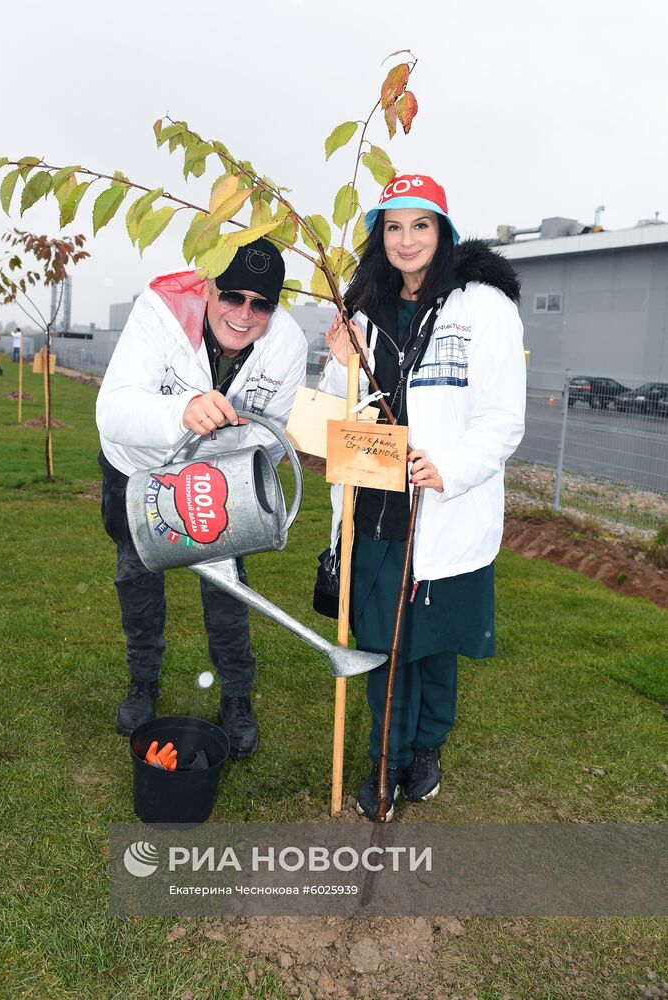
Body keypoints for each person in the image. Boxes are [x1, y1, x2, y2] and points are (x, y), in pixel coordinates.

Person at [320, 174, 526, 821]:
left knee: (434, 642)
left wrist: (450, 468)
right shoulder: (360, 311)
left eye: (420, 225)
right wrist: (335, 361)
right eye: (392, 226)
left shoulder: (482, 308)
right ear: (378, 236)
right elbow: (336, 411)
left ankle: (427, 746)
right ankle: (387, 756)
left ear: (443, 233)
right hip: (377, 506)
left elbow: (502, 416)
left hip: (444, 506)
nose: (406, 239)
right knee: (382, 645)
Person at [96, 239, 307, 753]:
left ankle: (236, 696)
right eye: (232, 296)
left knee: (228, 587)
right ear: (209, 287)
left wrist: (215, 473)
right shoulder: (160, 311)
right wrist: (182, 412)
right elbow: (113, 409)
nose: (244, 314)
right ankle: (143, 682)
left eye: (261, 304)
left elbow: (273, 434)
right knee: (137, 574)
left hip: (218, 477)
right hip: (138, 467)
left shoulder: (288, 344)